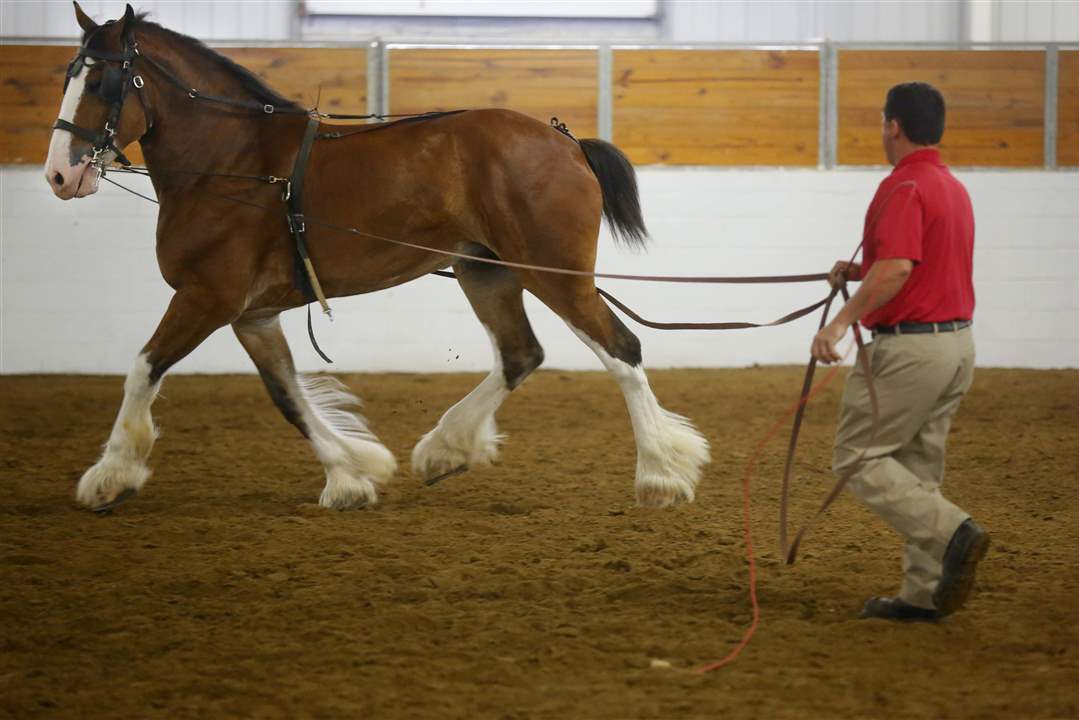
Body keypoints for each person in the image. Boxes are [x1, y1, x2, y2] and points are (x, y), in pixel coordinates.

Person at [811, 82, 989, 622]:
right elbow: (913, 263)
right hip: (955, 346)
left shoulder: (904, 186)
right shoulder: (951, 187)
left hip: (911, 351)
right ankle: (923, 594)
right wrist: (859, 270)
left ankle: (954, 533)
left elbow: (897, 269)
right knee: (918, 467)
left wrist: (839, 322)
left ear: (893, 126)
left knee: (857, 458)